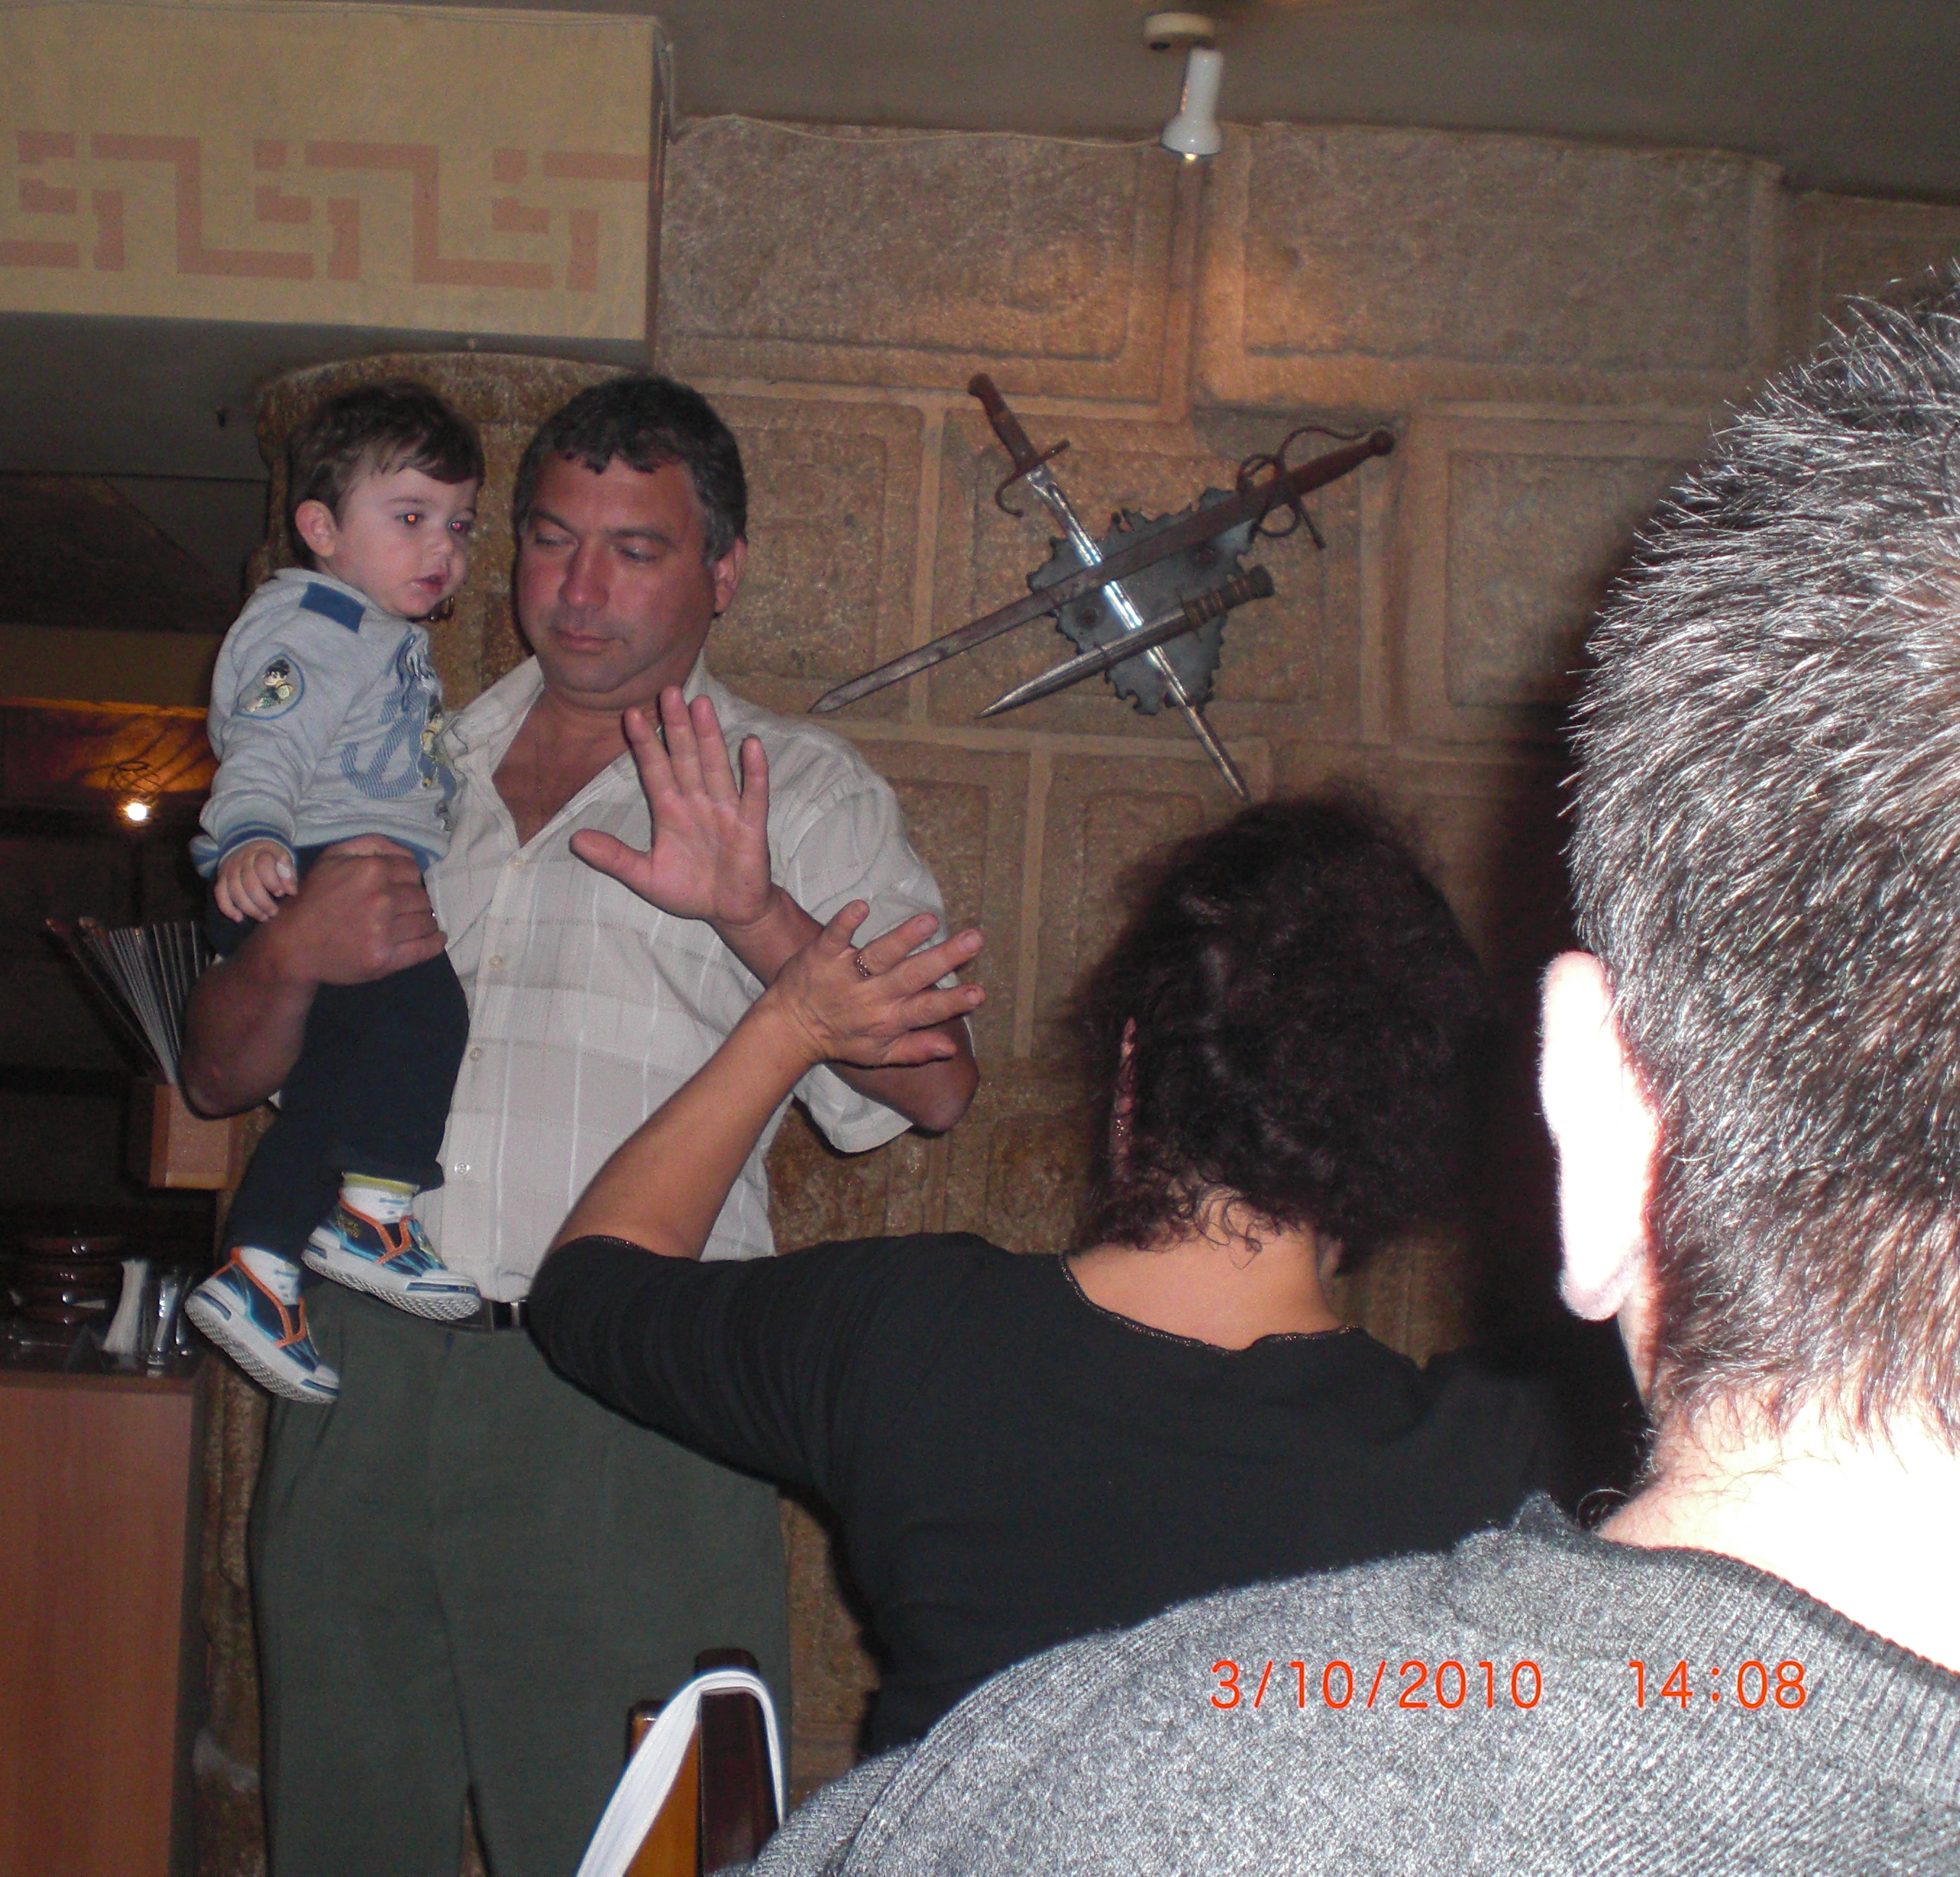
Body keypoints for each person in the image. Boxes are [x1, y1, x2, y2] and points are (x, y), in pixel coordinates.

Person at [741, 286, 1960, 1875]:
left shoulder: (1039, 1740)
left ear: (1600, 1114)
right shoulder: (1473, 1459)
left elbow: (585, 1291)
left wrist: (778, 997)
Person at [177, 373, 979, 1877]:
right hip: (353, 1372)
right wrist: (288, 952)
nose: (580, 589)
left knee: (636, 1848)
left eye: (636, 550)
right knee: (343, 1838)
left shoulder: (795, 789)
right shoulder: (399, 753)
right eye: (550, 541)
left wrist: (750, 907)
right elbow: (217, 1077)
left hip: (633, 1397)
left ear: (724, 571)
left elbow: (936, 1083)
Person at [530, 797, 1562, 1752]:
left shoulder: (908, 1335)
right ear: (1404, 1127)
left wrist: (791, 1022)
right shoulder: (1497, 1464)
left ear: (1131, 1068)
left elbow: (589, 1290)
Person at [185, 382, 487, 1401]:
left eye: (458, 524)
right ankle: (375, 1215)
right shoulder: (317, 623)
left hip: (324, 864)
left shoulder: (377, 630)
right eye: (409, 518)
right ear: (321, 529)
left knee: (332, 1096)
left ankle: (259, 1269)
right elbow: (265, 742)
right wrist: (253, 835)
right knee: (428, 1016)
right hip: (305, 869)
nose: (442, 547)